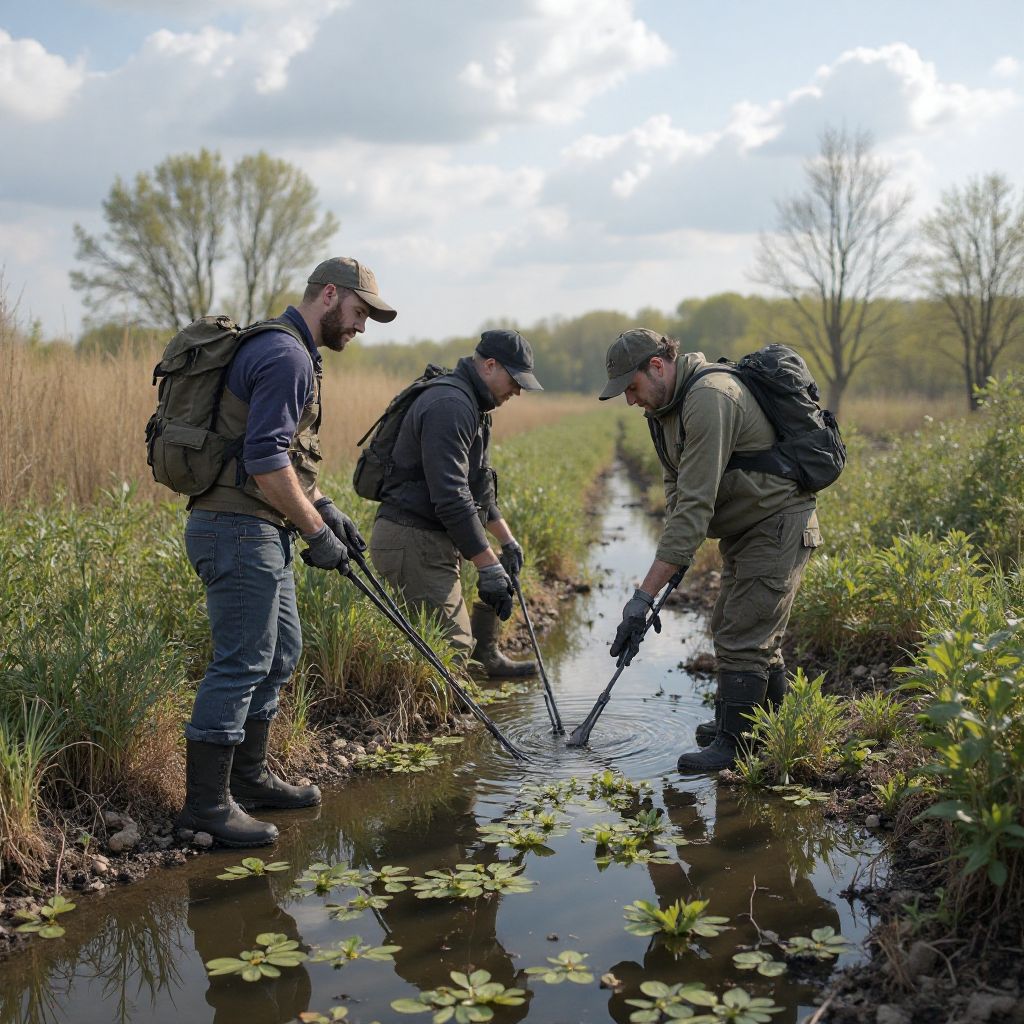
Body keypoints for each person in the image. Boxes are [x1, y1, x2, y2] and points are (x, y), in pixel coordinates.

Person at [177, 257, 397, 846]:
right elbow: (265, 462)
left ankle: (247, 780)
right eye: (358, 313)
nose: (361, 327)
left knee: (280, 653)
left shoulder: (292, 351)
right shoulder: (286, 356)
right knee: (242, 660)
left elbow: (289, 460)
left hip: (256, 526)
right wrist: (316, 534)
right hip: (237, 529)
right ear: (329, 295)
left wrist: (325, 508)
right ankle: (205, 807)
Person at [598, 328, 821, 772]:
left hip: (776, 522)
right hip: (746, 527)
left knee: (744, 632)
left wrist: (641, 599)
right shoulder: (663, 409)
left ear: (656, 366)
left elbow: (696, 506)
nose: (630, 400)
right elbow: (677, 490)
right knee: (740, 626)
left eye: (631, 387)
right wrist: (673, 561)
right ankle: (761, 727)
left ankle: (735, 745)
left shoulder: (710, 397)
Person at [369, 329, 543, 678]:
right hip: (410, 539)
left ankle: (486, 663)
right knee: (452, 645)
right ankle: (443, 717)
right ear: (490, 366)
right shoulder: (450, 405)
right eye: (515, 380)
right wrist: (487, 565)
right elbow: (450, 496)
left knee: (486, 596)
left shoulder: (475, 406)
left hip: (431, 537)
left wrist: (506, 542)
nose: (518, 391)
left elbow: (477, 489)